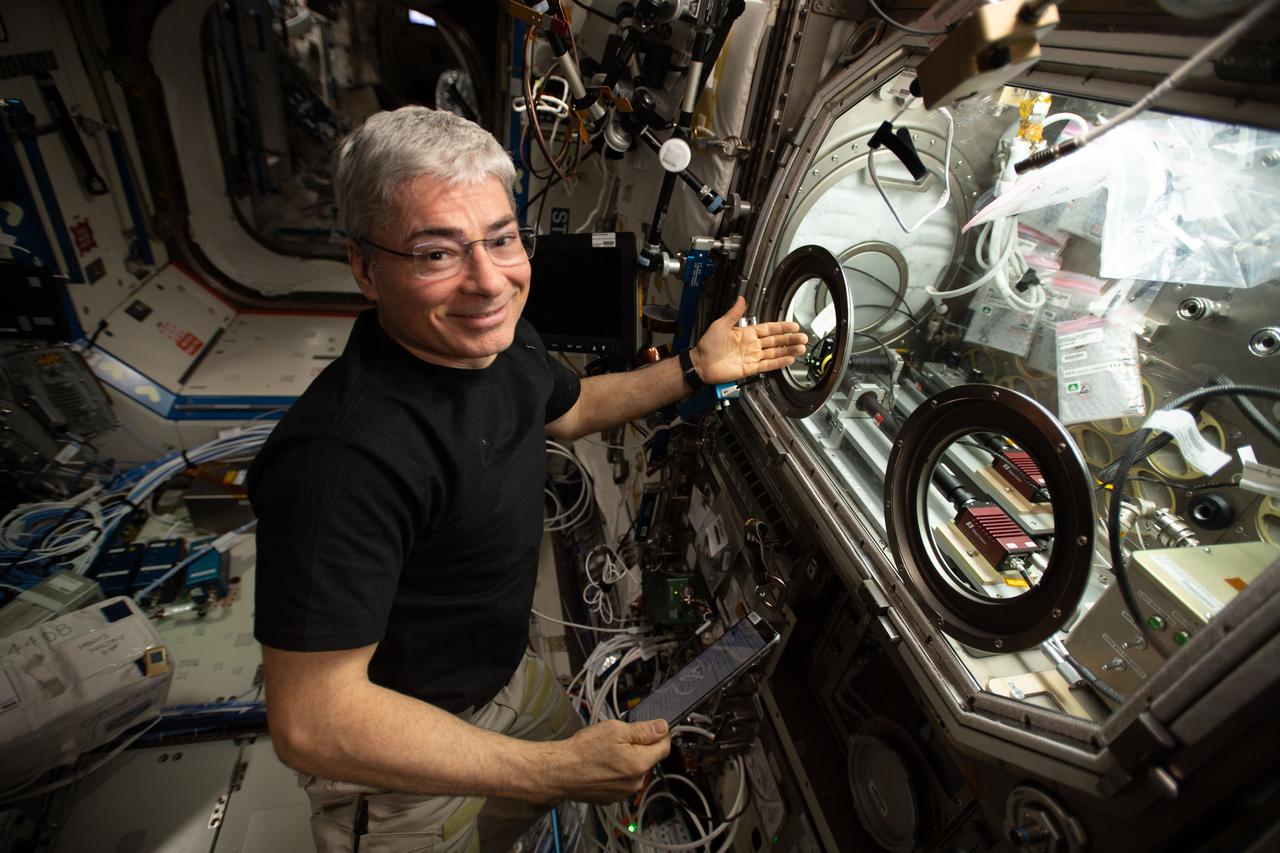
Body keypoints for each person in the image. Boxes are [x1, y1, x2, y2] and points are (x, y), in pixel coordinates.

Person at [248, 105, 806, 853]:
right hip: (397, 753)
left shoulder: (497, 343)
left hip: (502, 675)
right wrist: (549, 770)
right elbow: (315, 721)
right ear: (364, 265)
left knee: (526, 809)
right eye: (436, 253)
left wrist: (695, 368)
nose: (489, 282)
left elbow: (573, 408)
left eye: (503, 238)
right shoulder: (340, 462)